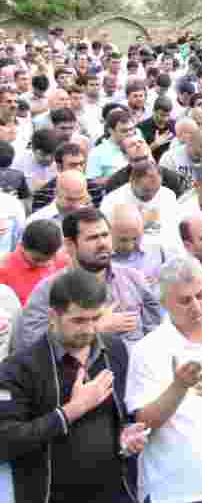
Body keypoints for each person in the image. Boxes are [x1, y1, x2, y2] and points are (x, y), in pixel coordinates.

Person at [0, 268, 148, 503]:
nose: (89, 329)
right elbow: (6, 442)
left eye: (96, 318)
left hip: (117, 494)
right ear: (53, 316)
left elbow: (122, 416)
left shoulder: (114, 350)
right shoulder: (18, 368)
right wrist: (72, 410)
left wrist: (127, 436)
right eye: (78, 320)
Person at [126, 256, 202, 503]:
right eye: (184, 300)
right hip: (172, 492)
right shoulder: (147, 350)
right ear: (164, 303)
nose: (196, 306)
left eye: (201, 295)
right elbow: (143, 422)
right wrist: (179, 386)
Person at [15, 208, 161, 352]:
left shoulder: (134, 279)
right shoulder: (48, 290)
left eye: (105, 235)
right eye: (92, 238)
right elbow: (30, 344)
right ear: (70, 245)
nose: (103, 243)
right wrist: (96, 328)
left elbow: (156, 335)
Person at [0, 218, 68, 304]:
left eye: (50, 258)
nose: (44, 264)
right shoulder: (4, 270)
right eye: (37, 260)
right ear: (23, 246)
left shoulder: (65, 261)